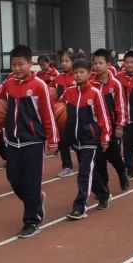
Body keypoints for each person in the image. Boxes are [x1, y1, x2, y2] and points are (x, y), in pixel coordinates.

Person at [0, 44, 59, 239]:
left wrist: (52, 139)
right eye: (13, 65)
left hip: (33, 141)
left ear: (30, 63)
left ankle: (31, 220)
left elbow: (48, 113)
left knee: (31, 182)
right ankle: (36, 200)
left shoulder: (39, 86)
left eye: (20, 64)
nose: (16, 68)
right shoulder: (8, 84)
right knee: (13, 179)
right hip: (13, 141)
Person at [63, 58, 112, 220]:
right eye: (75, 72)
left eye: (81, 72)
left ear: (89, 74)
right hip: (75, 139)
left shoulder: (95, 93)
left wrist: (105, 137)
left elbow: (103, 117)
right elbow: (60, 112)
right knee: (89, 171)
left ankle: (80, 207)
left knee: (83, 172)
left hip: (90, 139)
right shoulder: (69, 92)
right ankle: (104, 194)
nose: (77, 75)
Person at [91, 49, 131, 189]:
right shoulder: (90, 83)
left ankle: (122, 174)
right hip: (96, 127)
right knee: (99, 159)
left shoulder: (115, 84)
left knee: (114, 156)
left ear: (108, 64)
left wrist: (120, 125)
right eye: (95, 63)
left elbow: (121, 106)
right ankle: (104, 187)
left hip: (112, 127)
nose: (97, 66)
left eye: (100, 63)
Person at [54, 51, 76, 179]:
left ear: (73, 62)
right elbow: (53, 94)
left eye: (67, 61)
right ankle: (67, 166)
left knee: (77, 140)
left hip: (76, 113)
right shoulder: (58, 78)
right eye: (62, 61)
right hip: (61, 114)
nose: (64, 63)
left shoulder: (78, 76)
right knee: (62, 141)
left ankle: (87, 161)